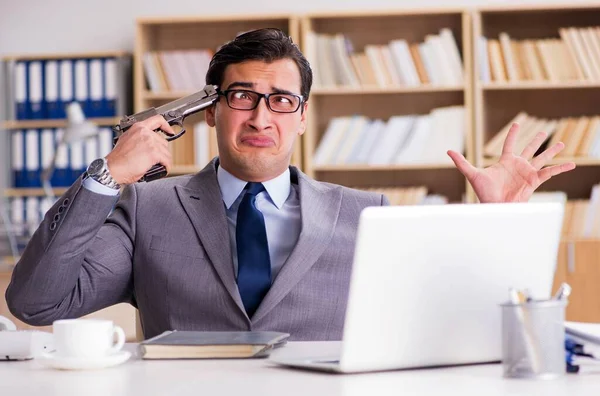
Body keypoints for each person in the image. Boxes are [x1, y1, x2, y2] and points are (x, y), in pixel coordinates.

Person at [5, 28, 575, 341]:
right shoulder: (147, 208)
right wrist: (107, 177)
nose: (260, 118)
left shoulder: (365, 212)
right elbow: (36, 302)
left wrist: (498, 220)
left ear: (302, 116)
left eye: (280, 101)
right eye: (241, 97)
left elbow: (467, 320)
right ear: (211, 111)